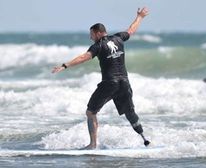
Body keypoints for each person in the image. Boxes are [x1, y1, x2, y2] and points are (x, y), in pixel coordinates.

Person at [52, 7, 150, 149]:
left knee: (90, 112)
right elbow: (131, 30)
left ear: (98, 33)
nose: (91, 37)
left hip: (110, 83)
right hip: (124, 82)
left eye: (92, 34)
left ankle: (92, 145)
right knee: (130, 112)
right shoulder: (118, 38)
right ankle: (144, 138)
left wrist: (65, 65)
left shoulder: (97, 46)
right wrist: (140, 17)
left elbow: (84, 57)